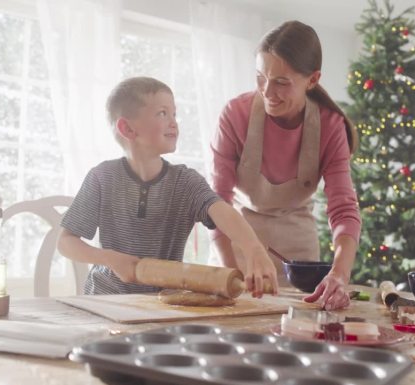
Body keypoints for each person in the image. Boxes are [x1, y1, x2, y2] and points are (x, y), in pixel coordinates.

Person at [58, 76, 278, 297]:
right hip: (104, 301)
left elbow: (222, 212)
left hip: (162, 306)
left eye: (174, 114)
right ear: (127, 128)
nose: (174, 122)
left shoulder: (185, 182)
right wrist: (111, 259)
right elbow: (66, 242)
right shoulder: (102, 177)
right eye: (162, 113)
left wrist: (254, 249)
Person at [210, 21, 361, 310]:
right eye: (260, 77)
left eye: (281, 82)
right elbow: (217, 202)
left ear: (313, 80)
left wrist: (339, 275)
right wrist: (230, 270)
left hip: (298, 252)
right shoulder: (234, 114)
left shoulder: (330, 126)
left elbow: (343, 209)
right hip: (237, 239)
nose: (267, 91)